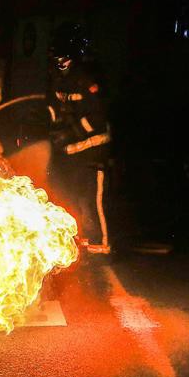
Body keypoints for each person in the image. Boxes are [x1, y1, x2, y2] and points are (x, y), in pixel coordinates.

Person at [47, 23, 112, 254]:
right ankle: (83, 245)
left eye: (63, 59)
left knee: (92, 202)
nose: (58, 64)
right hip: (73, 151)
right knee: (74, 199)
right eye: (55, 59)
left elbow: (96, 120)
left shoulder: (87, 81)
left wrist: (71, 131)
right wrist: (54, 129)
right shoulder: (58, 80)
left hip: (94, 150)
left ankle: (101, 247)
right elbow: (54, 109)